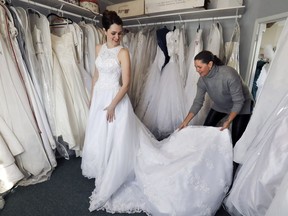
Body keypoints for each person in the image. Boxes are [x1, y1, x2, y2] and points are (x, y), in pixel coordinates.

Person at [81, 10, 233, 215]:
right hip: (100, 96)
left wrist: (112, 105)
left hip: (115, 100)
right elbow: (95, 76)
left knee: (117, 138)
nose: (117, 37)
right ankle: (103, 166)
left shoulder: (123, 52)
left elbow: (126, 84)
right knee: (100, 134)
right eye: (113, 33)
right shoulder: (99, 48)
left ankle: (115, 169)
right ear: (104, 31)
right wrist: (92, 99)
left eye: (120, 34)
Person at [179, 50, 254, 146]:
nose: (197, 70)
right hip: (221, 105)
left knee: (236, 141)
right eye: (195, 67)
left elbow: (239, 101)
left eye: (199, 67)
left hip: (243, 105)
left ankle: (233, 160)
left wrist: (228, 120)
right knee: (206, 130)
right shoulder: (202, 80)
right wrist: (185, 122)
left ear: (210, 64)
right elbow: (198, 102)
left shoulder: (229, 74)